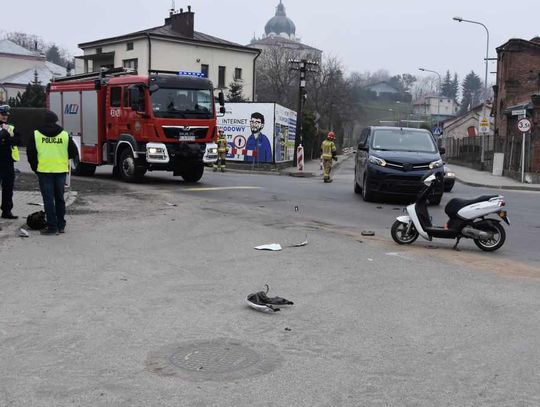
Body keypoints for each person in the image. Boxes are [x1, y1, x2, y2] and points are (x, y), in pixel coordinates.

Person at [27, 110, 77, 235]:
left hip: (44, 171)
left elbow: (31, 154)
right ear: (55, 121)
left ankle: (52, 227)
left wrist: (35, 168)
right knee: (60, 198)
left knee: (48, 199)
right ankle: (61, 225)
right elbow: (73, 152)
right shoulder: (64, 134)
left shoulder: (36, 134)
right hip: (60, 170)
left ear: (44, 121)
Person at [0, 104, 21, 220]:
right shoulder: (4, 129)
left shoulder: (10, 127)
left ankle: (7, 211)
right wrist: (4, 134)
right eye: (3, 114)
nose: (5, 117)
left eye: (6, 115)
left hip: (8, 162)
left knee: (8, 188)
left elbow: (18, 140)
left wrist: (9, 136)